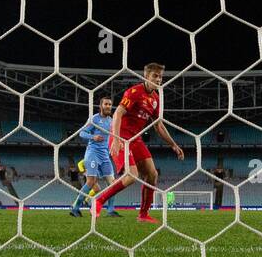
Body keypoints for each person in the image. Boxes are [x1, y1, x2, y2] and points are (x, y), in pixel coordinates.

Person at [94, 64, 185, 222]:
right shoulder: (134, 92)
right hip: (121, 137)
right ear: (146, 77)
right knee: (132, 176)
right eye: (155, 76)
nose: (159, 79)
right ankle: (99, 200)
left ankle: (143, 215)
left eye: (160, 76)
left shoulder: (155, 99)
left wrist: (173, 144)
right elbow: (117, 114)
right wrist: (115, 139)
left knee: (152, 174)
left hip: (136, 139)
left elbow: (158, 125)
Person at [71, 96, 120, 217]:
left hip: (105, 155)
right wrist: (93, 137)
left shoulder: (112, 120)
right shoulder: (94, 119)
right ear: (101, 106)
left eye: (110, 104)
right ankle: (75, 208)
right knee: (91, 181)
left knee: (112, 183)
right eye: (106, 104)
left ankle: (110, 210)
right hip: (92, 153)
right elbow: (82, 133)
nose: (108, 106)